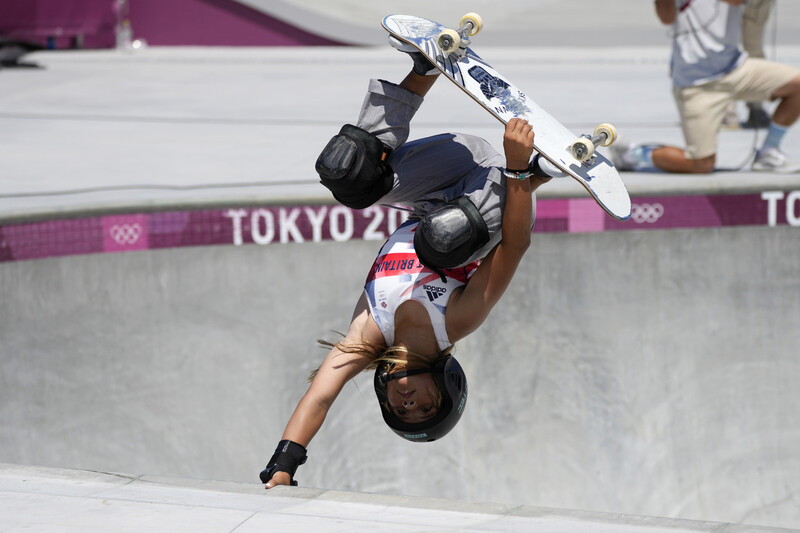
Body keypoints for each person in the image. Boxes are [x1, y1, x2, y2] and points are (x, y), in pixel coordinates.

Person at [259, 39, 563, 488]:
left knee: (347, 172)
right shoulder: (456, 321)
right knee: (443, 240)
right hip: (490, 190)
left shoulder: (365, 336)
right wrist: (519, 173)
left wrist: (282, 467)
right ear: (445, 386)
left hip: (439, 180)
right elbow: (514, 247)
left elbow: (320, 397)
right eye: (423, 404)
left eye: (401, 408)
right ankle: (535, 172)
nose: (407, 399)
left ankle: (422, 71)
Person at [612, 0, 800, 174]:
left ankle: (768, 152)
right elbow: (666, 17)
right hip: (697, 85)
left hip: (736, 68)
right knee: (700, 165)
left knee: (797, 85)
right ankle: (632, 154)